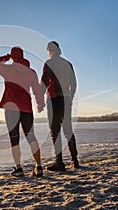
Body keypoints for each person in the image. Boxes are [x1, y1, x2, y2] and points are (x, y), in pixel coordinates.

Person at [0, 46, 46, 177]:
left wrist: (6, 57)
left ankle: (19, 168)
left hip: (11, 109)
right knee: (31, 136)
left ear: (12, 55)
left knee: (14, 139)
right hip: (26, 109)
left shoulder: (7, 69)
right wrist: (40, 104)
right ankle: (38, 166)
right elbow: (37, 90)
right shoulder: (31, 72)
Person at [41, 41, 80, 171]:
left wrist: (39, 97)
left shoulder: (49, 64)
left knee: (55, 131)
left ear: (49, 51)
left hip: (53, 100)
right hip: (66, 99)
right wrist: (71, 97)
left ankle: (60, 162)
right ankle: (75, 160)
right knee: (68, 129)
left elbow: (45, 82)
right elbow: (74, 83)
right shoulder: (68, 64)